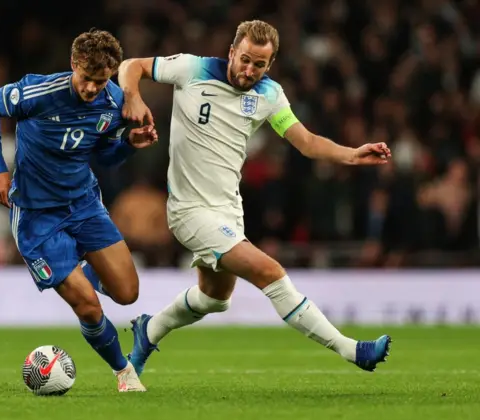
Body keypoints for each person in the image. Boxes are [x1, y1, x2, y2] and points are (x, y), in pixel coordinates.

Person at [117, 20, 392, 376]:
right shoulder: (192, 68)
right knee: (270, 271)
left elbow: (306, 143)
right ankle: (353, 350)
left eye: (258, 64)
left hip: (229, 209)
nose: (249, 70)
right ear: (232, 52)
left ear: (270, 64)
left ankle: (148, 330)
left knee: (214, 299)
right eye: (244, 59)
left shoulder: (269, 95)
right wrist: (133, 95)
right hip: (189, 210)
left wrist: (353, 154)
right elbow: (131, 65)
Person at [0, 29, 157, 392]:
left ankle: (79, 277)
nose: (93, 88)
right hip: (37, 216)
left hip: (85, 205)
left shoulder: (114, 102)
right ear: (74, 64)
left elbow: (105, 156)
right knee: (89, 307)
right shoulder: (42, 92)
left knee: (127, 293)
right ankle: (124, 373)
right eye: (87, 78)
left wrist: (128, 143)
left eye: (101, 80)